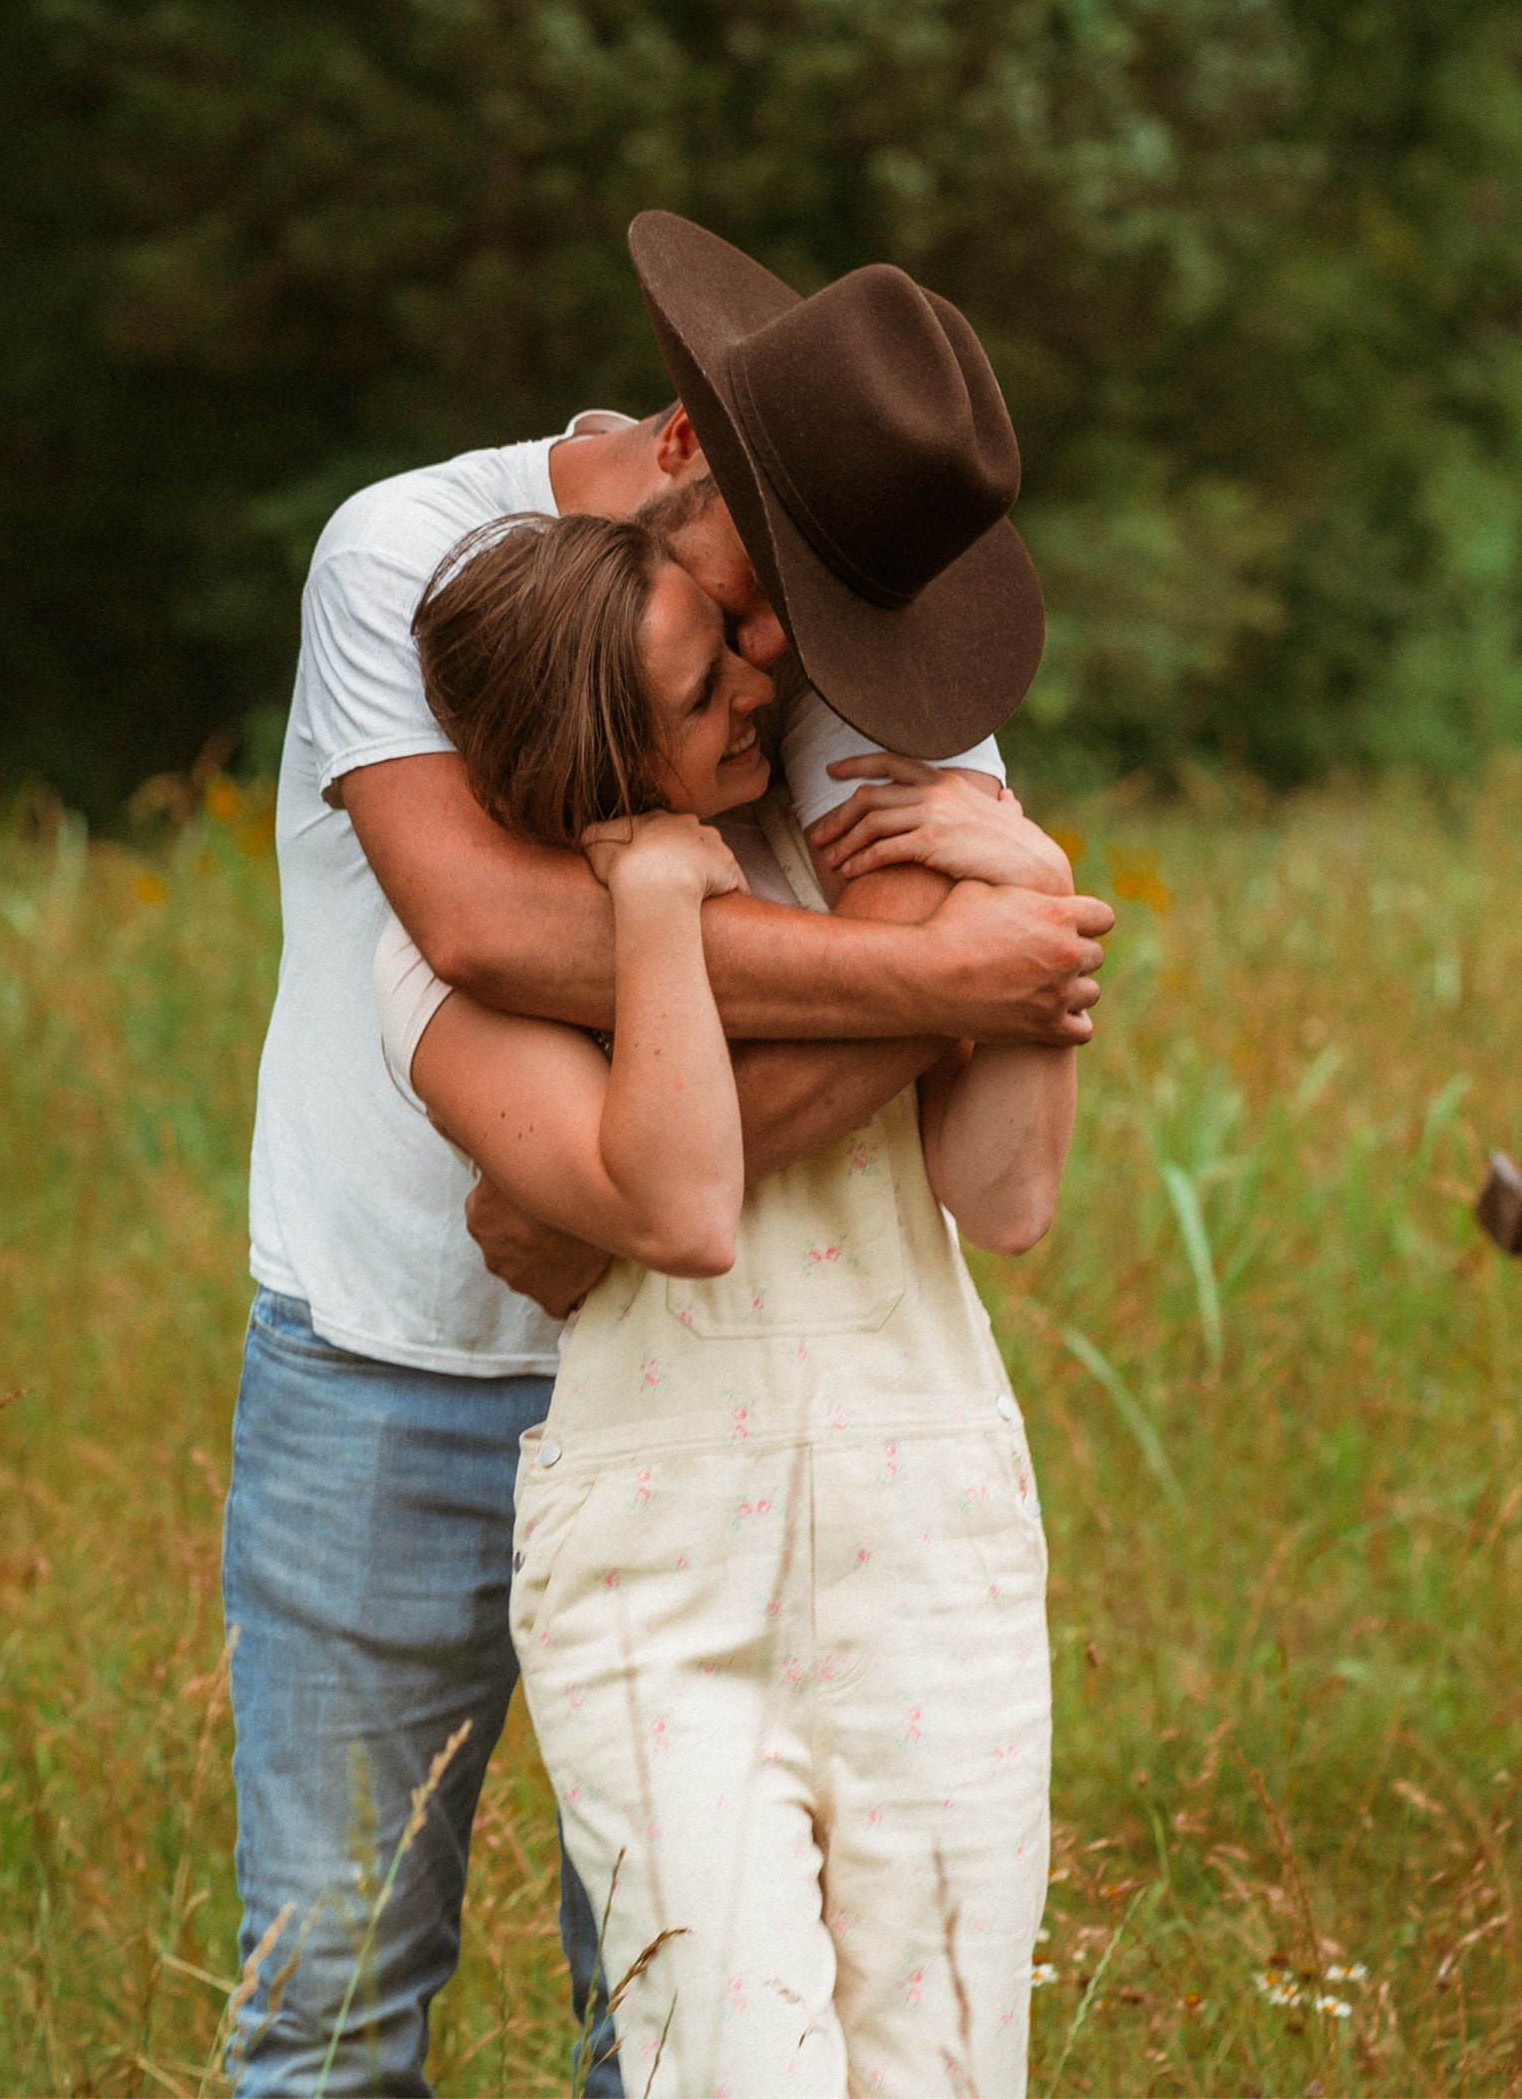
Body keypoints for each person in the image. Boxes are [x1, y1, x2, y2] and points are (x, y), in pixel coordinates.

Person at [223, 211, 1114, 2094]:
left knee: (682, 2029)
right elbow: (486, 931)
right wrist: (927, 976)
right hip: (396, 1366)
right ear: (686, 445)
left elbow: (1009, 1000)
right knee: (332, 2001)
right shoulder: (409, 555)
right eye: (757, 601)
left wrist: (972, 961)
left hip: (751, 1434)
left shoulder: (857, 627)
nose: (794, 664)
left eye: (833, 617)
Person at [380, 506, 1075, 2097]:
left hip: (930, 1536)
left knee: (956, 2074)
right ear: (592, 748)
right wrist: (653, 914)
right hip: (663, 1577)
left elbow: (1009, 1199)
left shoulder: (853, 862)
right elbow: (683, 1206)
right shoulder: (455, 980)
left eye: (724, 651)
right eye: (699, 696)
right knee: (733, 2071)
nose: (757, 692)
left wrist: (1025, 892)